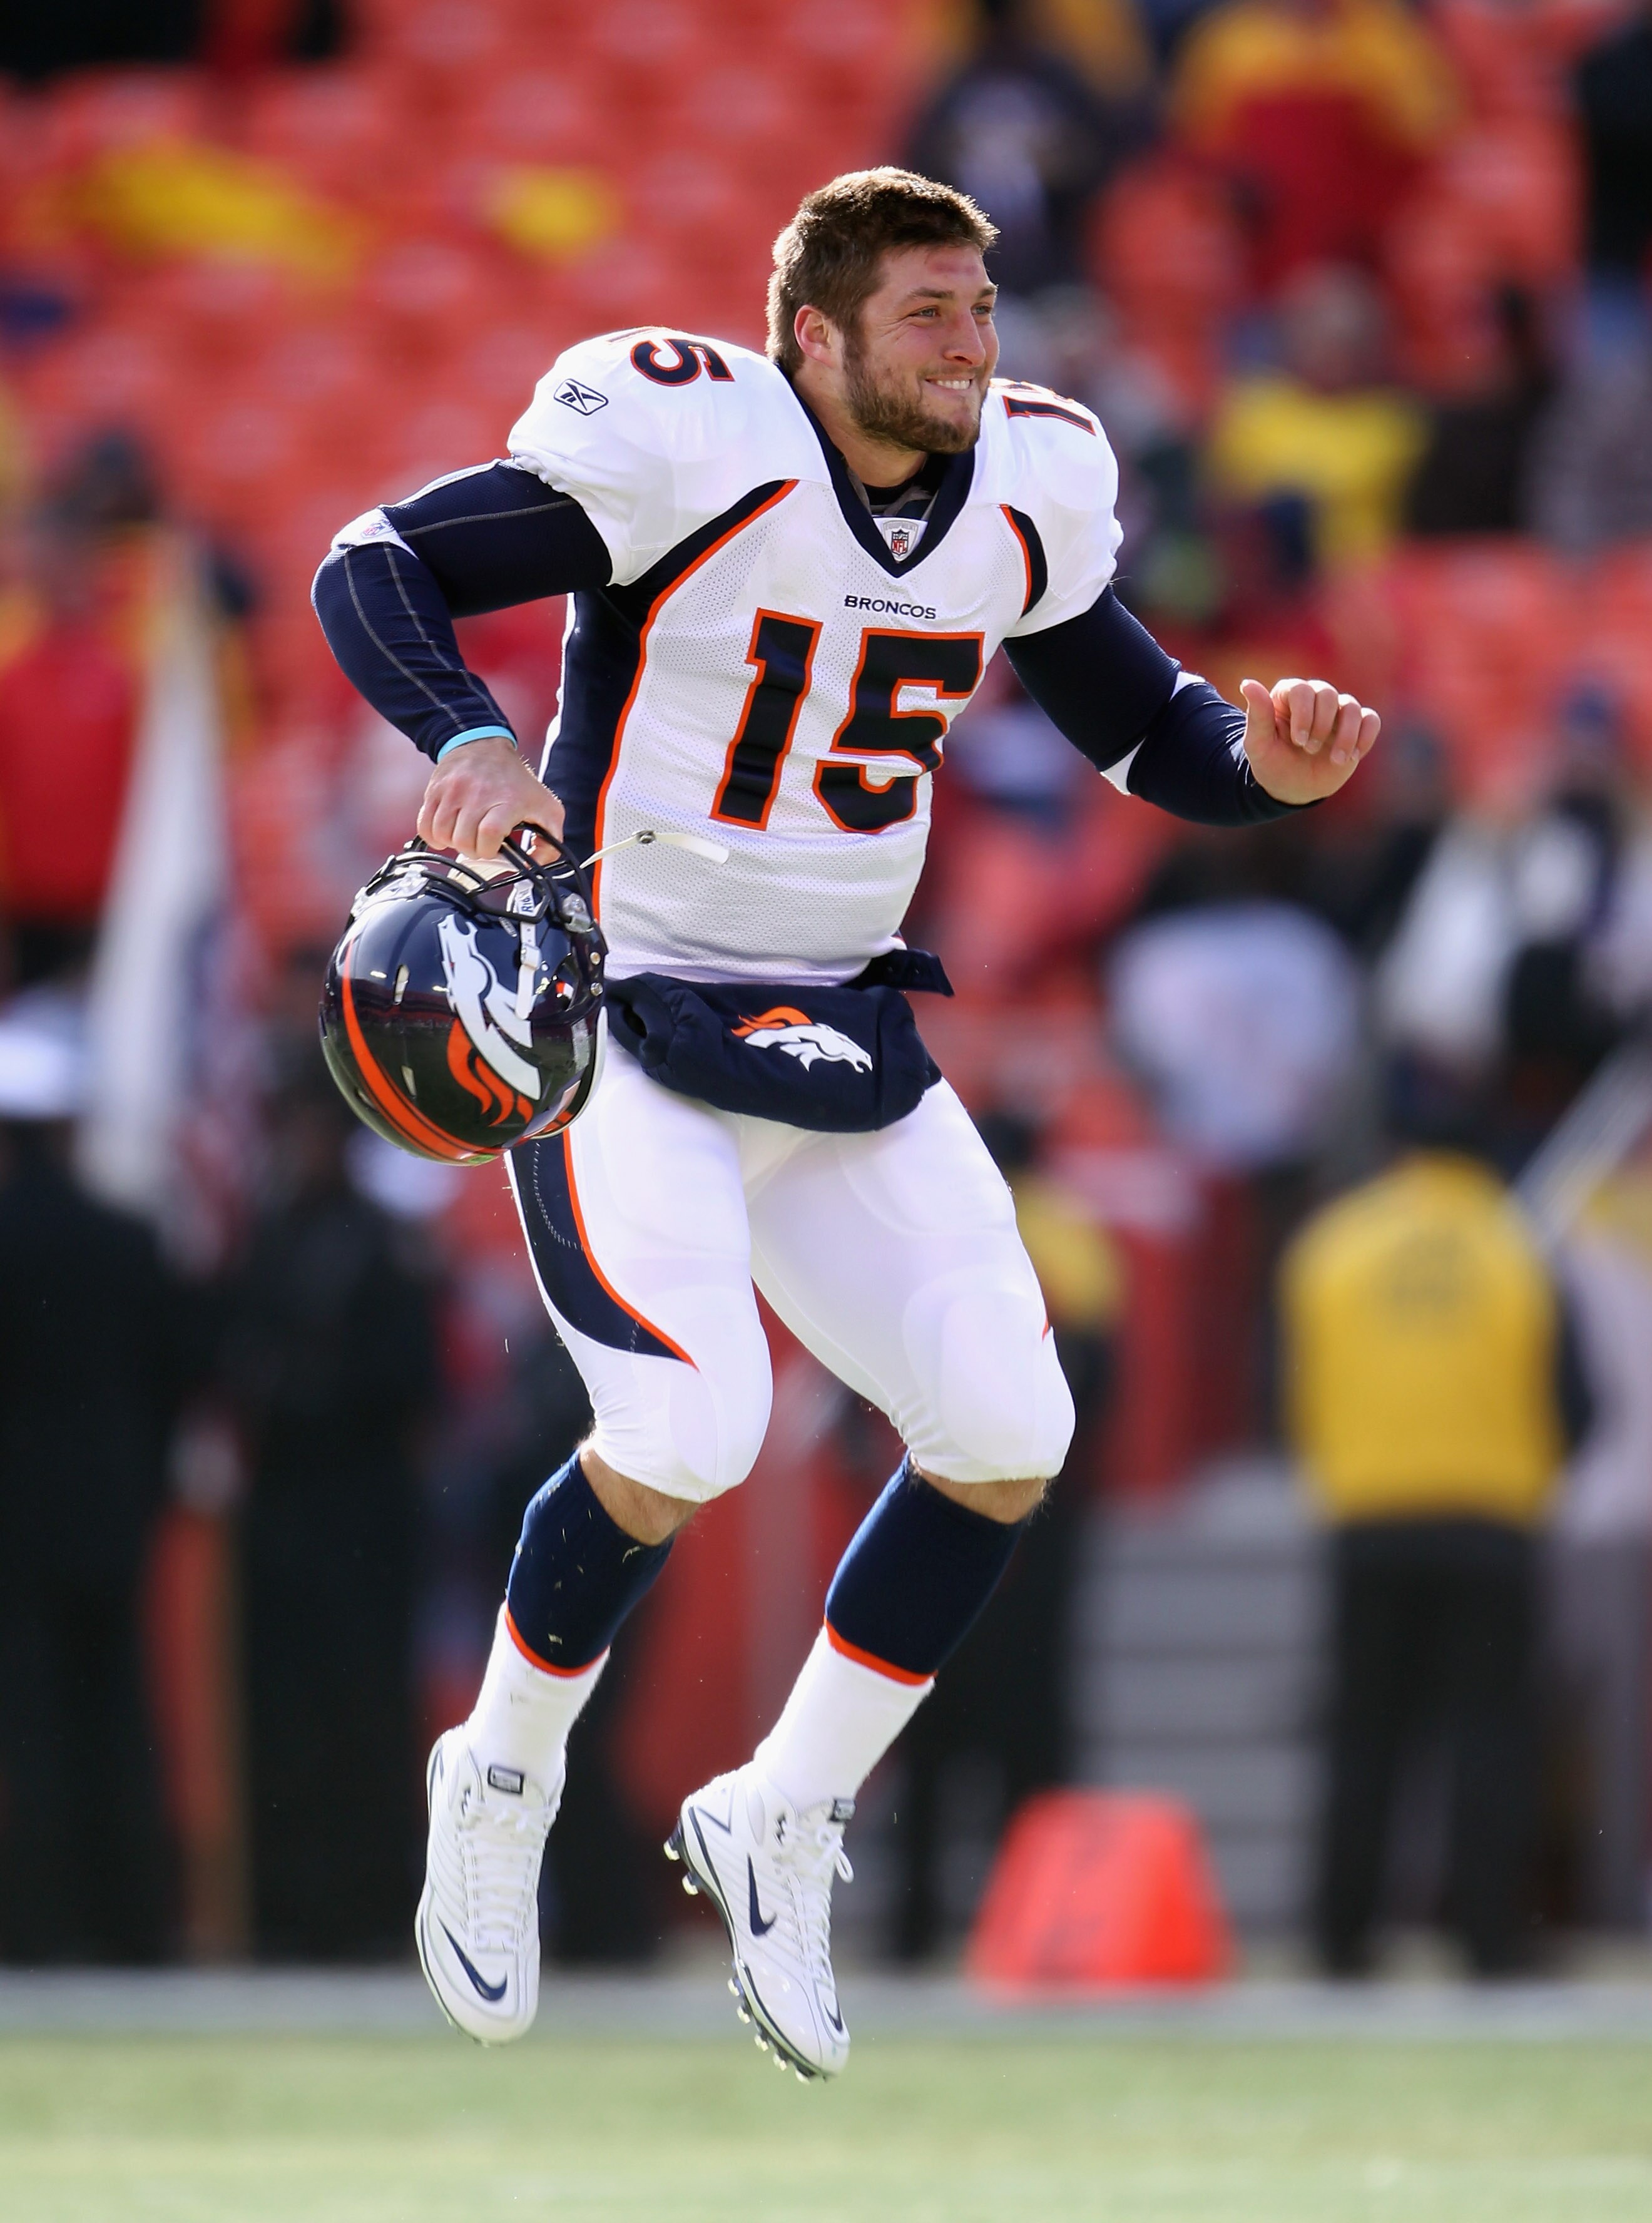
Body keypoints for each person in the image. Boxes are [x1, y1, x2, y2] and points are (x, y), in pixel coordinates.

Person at [313, 166, 1380, 2079]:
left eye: (981, 310)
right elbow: (372, 565)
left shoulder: (1029, 484)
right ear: (810, 338)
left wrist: (1261, 767)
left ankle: (782, 1807)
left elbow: (1140, 722)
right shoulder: (689, 437)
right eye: (927, 317)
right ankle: (502, 1769)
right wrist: (467, 739)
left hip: (840, 1011)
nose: (972, 347)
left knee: (1007, 1428)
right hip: (624, 996)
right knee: (692, 1426)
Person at [1280, 1078, 1591, 1975]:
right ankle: (1490, 1941)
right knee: (1491, 1733)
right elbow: (1578, 1402)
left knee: (1363, 1733)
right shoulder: (1518, 1245)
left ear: (1394, 1149)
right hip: (1494, 1521)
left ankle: (1342, 1940)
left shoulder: (1332, 1244)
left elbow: (1287, 1387)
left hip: (1367, 1517)